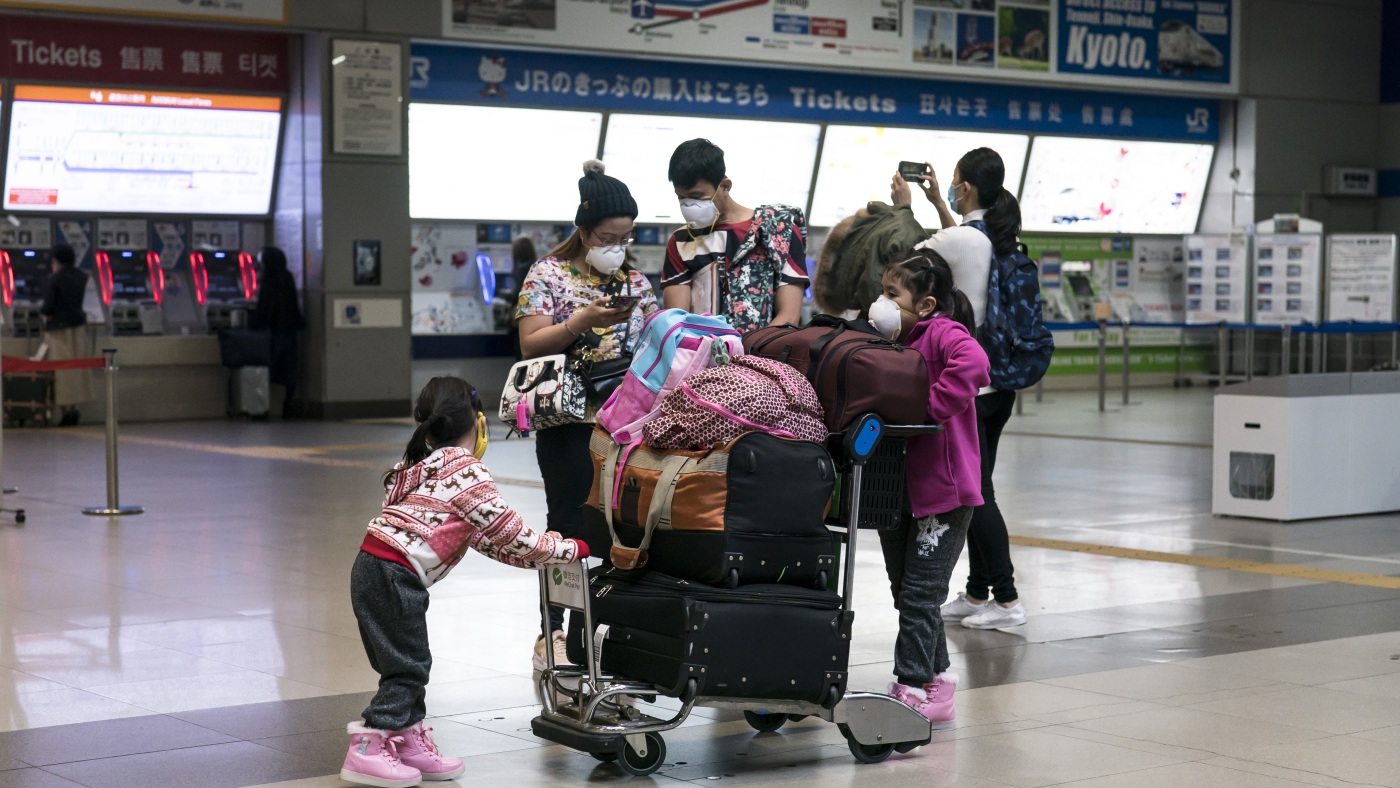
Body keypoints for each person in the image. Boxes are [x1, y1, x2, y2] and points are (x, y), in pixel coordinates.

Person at [344, 376, 587, 788]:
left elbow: (487, 541)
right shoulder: (467, 471)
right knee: (408, 668)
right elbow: (513, 534)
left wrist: (539, 559)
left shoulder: (420, 465)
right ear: (477, 422)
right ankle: (367, 747)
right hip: (395, 575)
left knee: (407, 662)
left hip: (373, 568)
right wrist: (566, 549)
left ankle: (407, 738)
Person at [516, 160, 658, 669]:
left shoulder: (636, 283)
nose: (617, 246)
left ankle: (586, 632)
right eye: (607, 236)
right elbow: (530, 342)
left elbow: (654, 347)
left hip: (622, 426)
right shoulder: (547, 275)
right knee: (567, 526)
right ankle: (550, 633)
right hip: (566, 426)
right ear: (583, 231)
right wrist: (581, 321)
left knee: (611, 531)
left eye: (626, 236)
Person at [892, 147, 1028, 630]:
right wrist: (938, 205)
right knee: (976, 486)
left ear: (965, 187)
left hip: (971, 387)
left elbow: (910, 264)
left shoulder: (960, 240)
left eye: (952, 183)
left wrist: (908, 207)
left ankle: (1008, 600)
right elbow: (961, 244)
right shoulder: (998, 236)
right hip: (1000, 384)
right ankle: (976, 592)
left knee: (976, 494)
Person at [866, 249, 988, 728]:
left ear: (926, 303)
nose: (882, 302)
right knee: (907, 592)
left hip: (945, 493)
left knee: (920, 594)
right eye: (882, 290)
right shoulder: (894, 342)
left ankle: (910, 686)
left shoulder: (942, 334)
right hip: (901, 491)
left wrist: (929, 408)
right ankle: (937, 682)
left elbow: (975, 364)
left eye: (892, 294)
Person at [661, 138, 808, 333]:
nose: (688, 206)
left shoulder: (779, 230)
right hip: (702, 357)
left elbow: (788, 317)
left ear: (725, 186)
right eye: (681, 197)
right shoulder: (681, 241)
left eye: (697, 197)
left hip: (763, 356)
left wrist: (746, 355)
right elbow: (677, 323)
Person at [40, 243, 95, 426]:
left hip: (58, 330)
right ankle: (75, 409)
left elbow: (47, 307)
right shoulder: (82, 276)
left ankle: (65, 413)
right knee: (78, 368)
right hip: (78, 327)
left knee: (62, 371)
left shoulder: (55, 278)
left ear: (56, 260)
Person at [250, 246, 304, 419]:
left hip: (273, 333)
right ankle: (287, 406)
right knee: (290, 372)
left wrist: (254, 324)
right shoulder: (287, 278)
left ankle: (261, 409)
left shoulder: (268, 281)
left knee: (266, 371)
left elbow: (264, 310)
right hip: (290, 331)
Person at [507, 236, 538, 360]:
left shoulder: (521, 268)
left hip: (521, 314)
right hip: (535, 314)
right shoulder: (536, 266)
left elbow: (517, 294)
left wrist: (504, 294)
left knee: (519, 351)